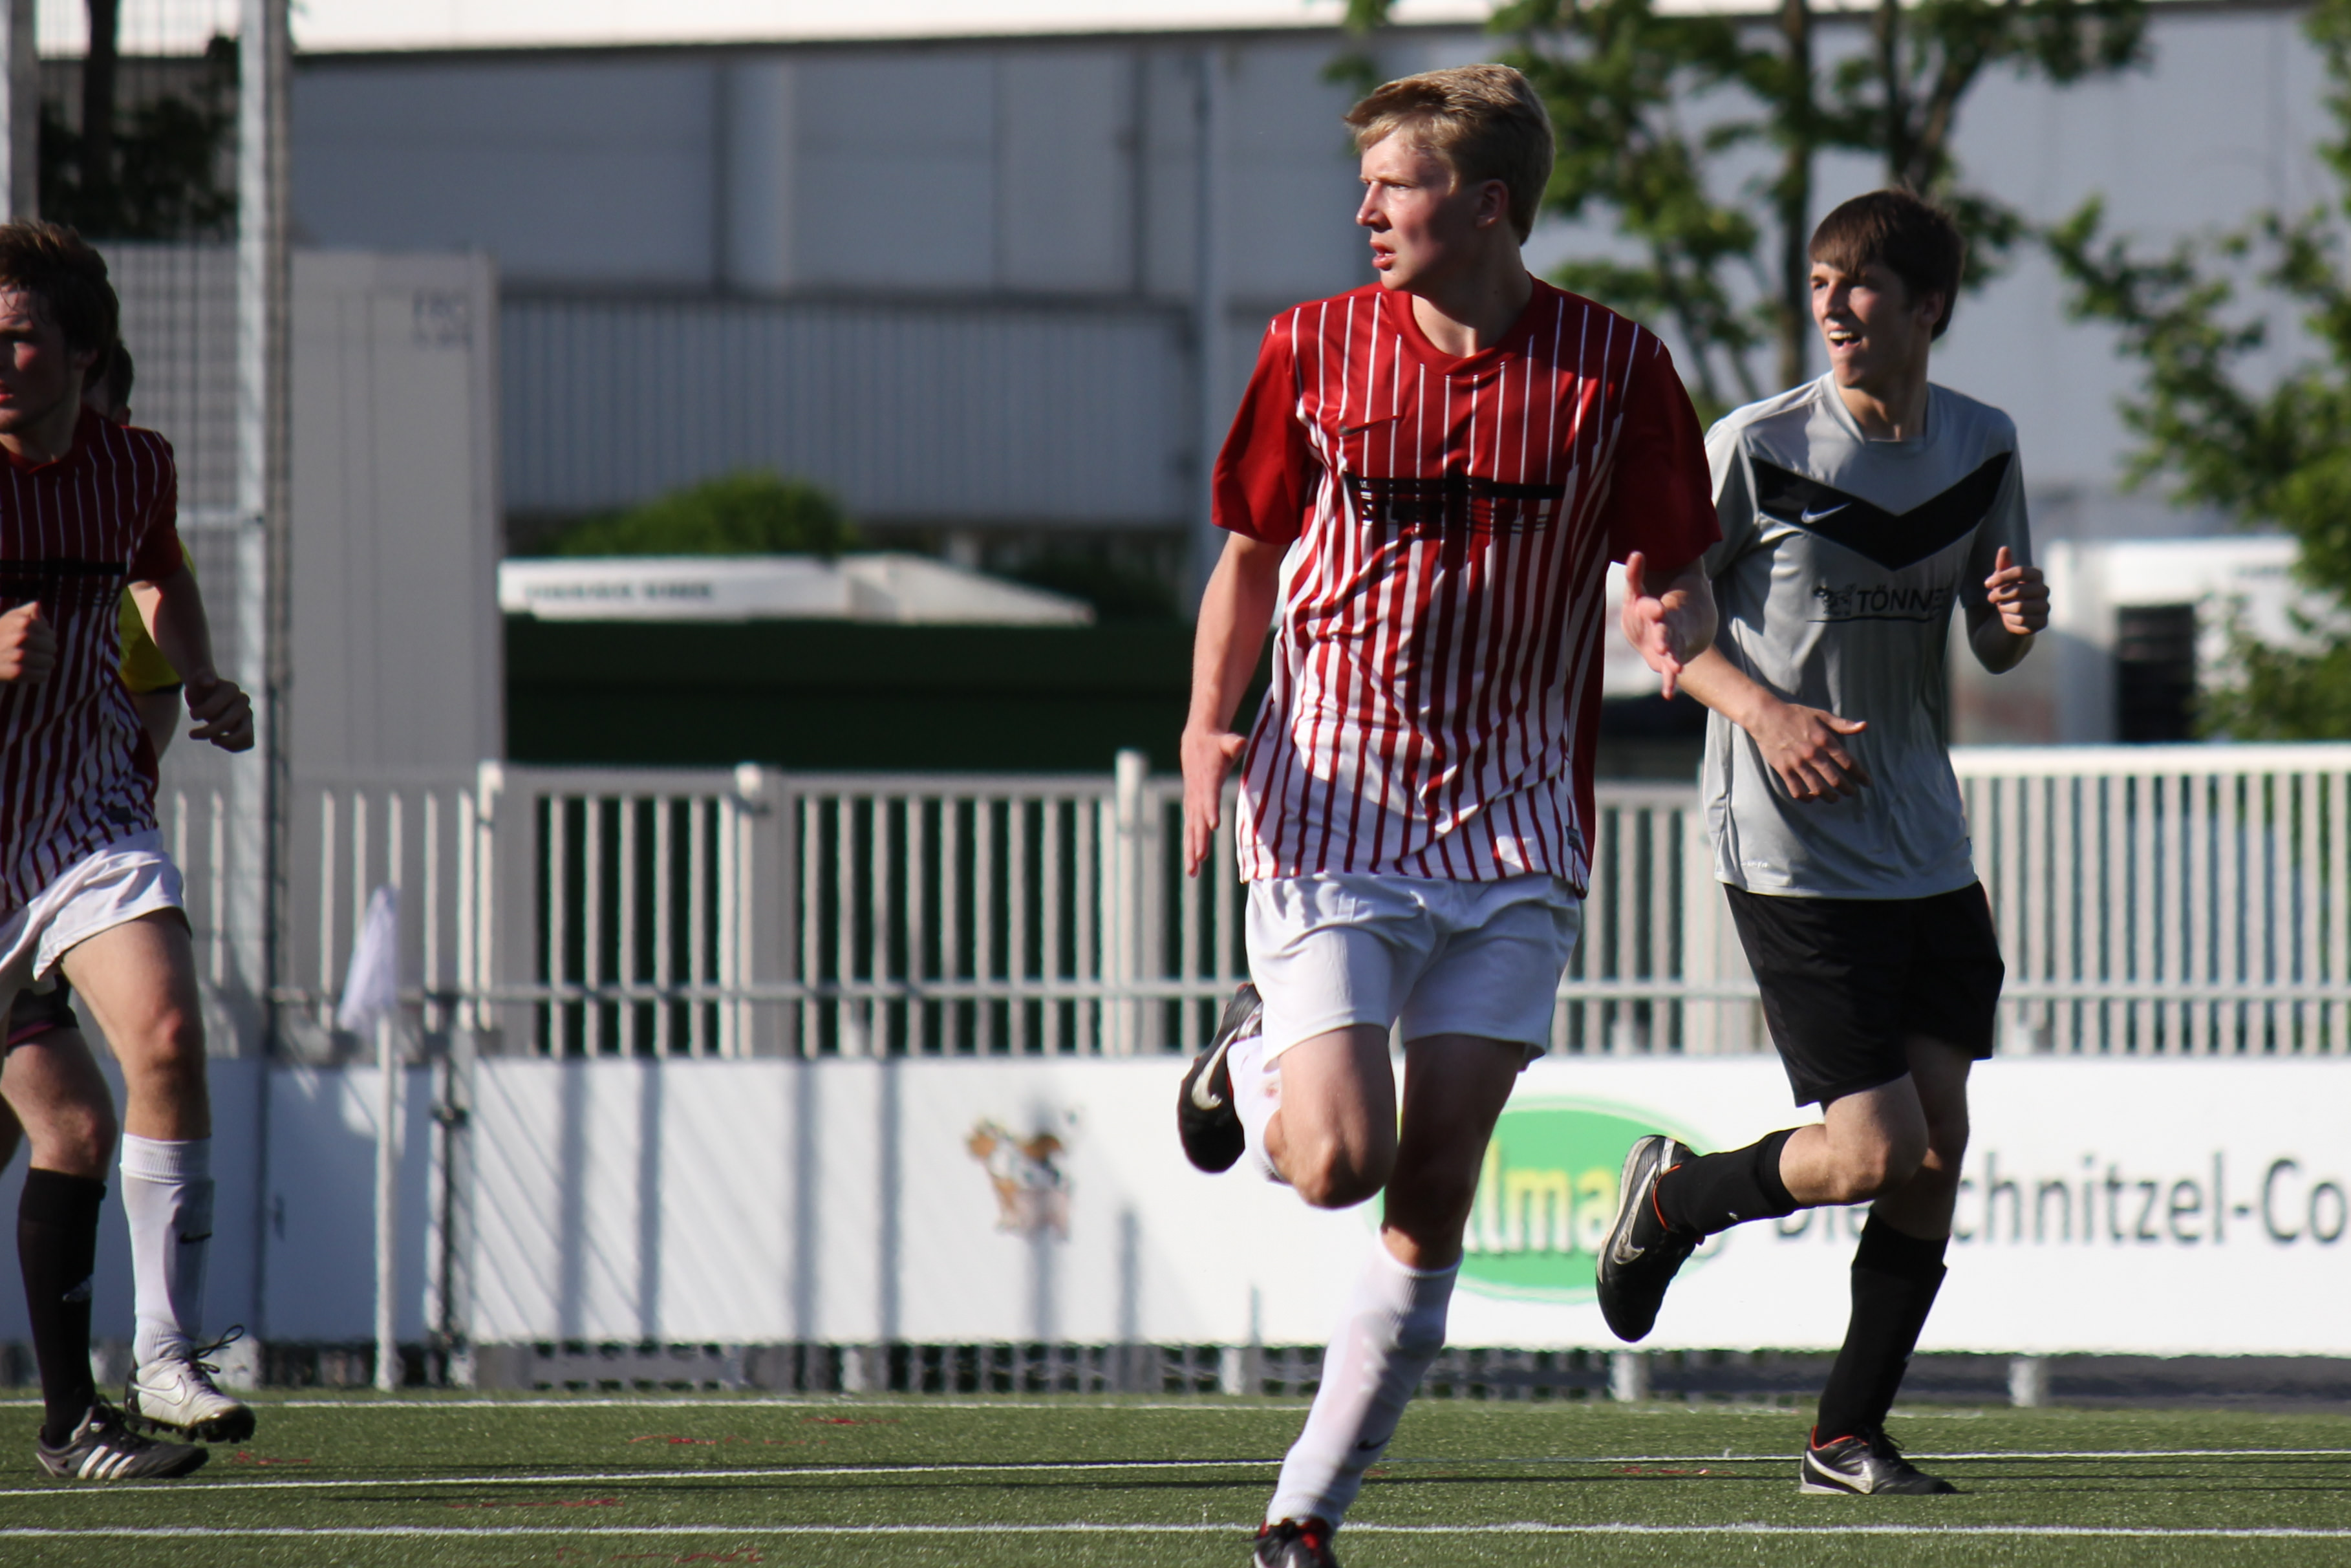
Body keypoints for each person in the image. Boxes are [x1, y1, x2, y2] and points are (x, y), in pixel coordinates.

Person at [1173, 65, 1719, 1567]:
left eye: (1395, 185)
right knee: (1340, 1159)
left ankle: (1304, 1514)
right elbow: (1249, 554)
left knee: (1436, 1181)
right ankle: (1252, 1057)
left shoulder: (1617, 368)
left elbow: (1673, 573)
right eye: (1365, 185)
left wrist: (1693, 643)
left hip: (1517, 828)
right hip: (1334, 804)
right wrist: (1209, 724)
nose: (1366, 209)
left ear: (1486, 205)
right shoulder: (1311, 347)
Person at [1594, 188, 2050, 1496]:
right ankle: (1674, 1202)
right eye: (1820, 285)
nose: (1835, 309)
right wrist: (1767, 714)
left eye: (1861, 286)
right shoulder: (1756, 444)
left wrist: (2015, 614)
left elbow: (1993, 638)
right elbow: (1659, 617)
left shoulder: (1983, 444)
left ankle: (1844, 1435)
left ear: (1929, 307)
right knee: (1873, 1151)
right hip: (1789, 843)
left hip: (1927, 839)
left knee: (1937, 1145)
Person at [0, 228, 257, 1476]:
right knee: (59, 1126)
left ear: (86, 354)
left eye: (19, 337)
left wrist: (199, 674)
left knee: (162, 1035)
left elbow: (159, 572)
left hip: (82, 817)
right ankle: (70, 1420)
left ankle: (164, 1353)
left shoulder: (133, 468)